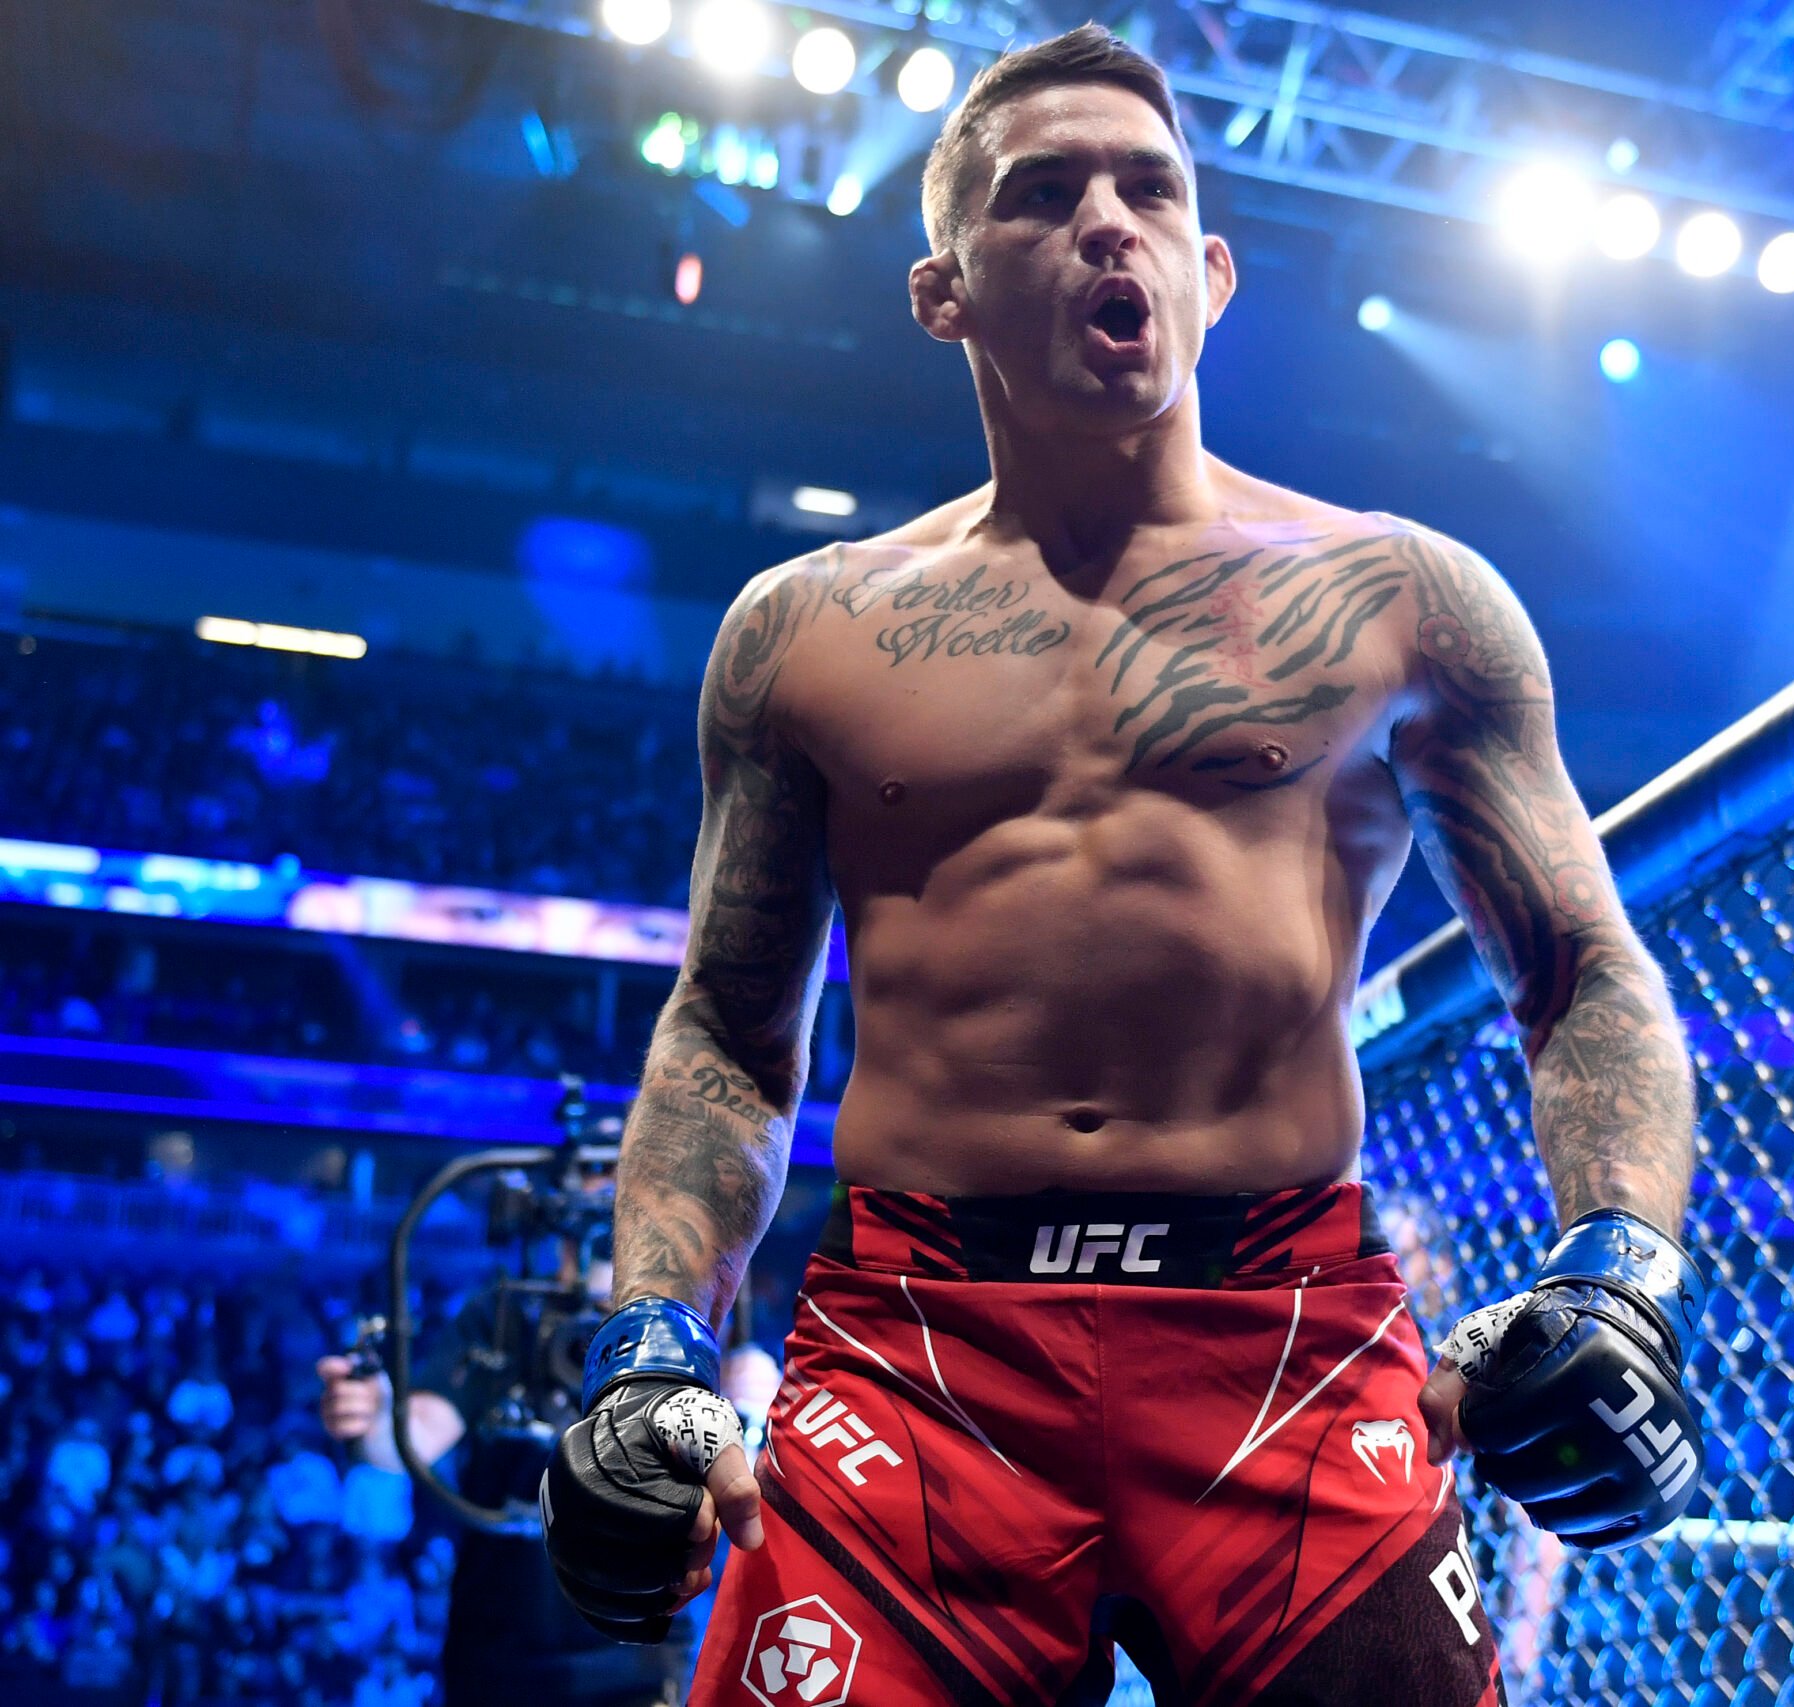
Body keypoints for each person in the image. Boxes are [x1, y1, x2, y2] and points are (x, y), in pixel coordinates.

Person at [539, 25, 1708, 1707]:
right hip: (919, 1345)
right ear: (941, 293)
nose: (1111, 221)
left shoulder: (1403, 598)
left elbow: (1586, 970)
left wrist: (1620, 1272)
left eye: (1150, 189)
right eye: (1046, 194)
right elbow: (730, 1027)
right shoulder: (806, 633)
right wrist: (651, 1335)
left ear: (1212, 270)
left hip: (1283, 1332)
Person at [319, 1253, 779, 1705]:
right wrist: (379, 1419)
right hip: (497, 1656)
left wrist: (756, 1412)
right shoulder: (508, 1313)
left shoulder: (685, 1324)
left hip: (639, 1661)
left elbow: (742, 1488)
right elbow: (412, 1437)